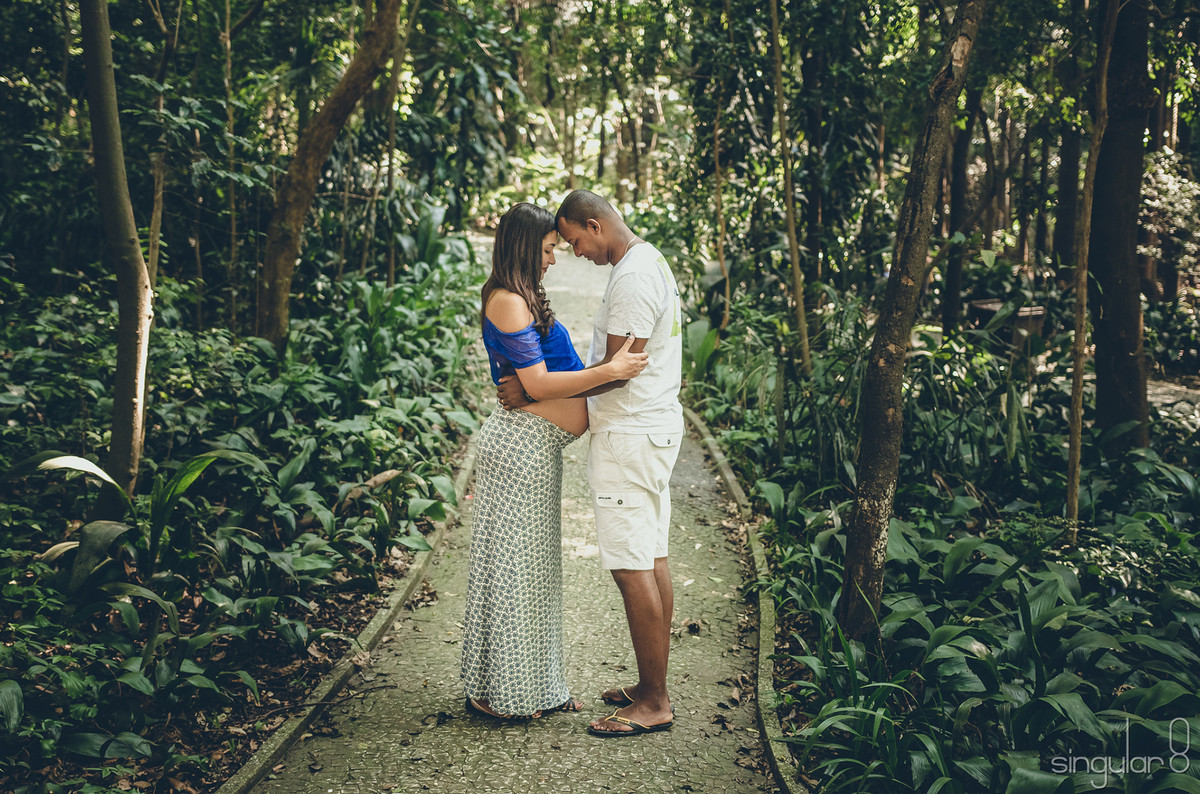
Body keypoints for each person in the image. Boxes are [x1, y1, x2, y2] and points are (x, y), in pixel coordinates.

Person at [499, 189, 683, 737]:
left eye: (575, 241)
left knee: (632, 567)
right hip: (645, 430)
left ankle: (654, 701)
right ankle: (653, 683)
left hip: (629, 436)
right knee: (651, 556)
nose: (575, 252)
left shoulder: (630, 279)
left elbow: (617, 369)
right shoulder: (647, 261)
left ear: (594, 225)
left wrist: (532, 396)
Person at [461, 202, 648, 721]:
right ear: (525, 247)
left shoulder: (521, 299)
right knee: (515, 574)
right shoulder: (507, 302)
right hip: (519, 449)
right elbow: (541, 384)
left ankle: (535, 687)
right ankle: (504, 694)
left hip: (535, 448)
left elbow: (537, 384)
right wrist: (608, 370)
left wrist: (558, 384)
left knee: (535, 575)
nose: (553, 259)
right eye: (547, 249)